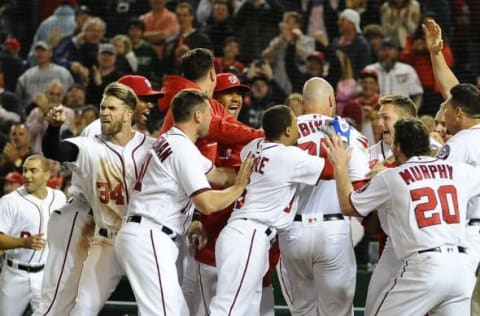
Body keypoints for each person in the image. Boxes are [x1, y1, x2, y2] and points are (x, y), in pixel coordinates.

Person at [114, 89, 252, 315]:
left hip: (148, 233)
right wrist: (238, 189)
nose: (212, 120)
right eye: (209, 114)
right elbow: (206, 203)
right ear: (198, 116)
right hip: (150, 235)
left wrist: (251, 171)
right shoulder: (181, 149)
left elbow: (218, 175)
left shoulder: (174, 141)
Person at [35, 75, 163, 316]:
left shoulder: (152, 145)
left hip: (140, 237)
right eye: (103, 107)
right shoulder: (95, 139)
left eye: (111, 108)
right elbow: (56, 149)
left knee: (161, 307)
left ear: (127, 113)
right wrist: (54, 128)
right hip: (96, 230)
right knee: (74, 305)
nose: (104, 112)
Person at [325, 117, 478, 315]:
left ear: (397, 148)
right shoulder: (460, 170)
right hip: (461, 269)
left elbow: (348, 205)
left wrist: (340, 165)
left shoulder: (392, 177)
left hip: (425, 266)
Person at [209, 104, 333, 315]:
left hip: (242, 233)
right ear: (286, 130)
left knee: (247, 309)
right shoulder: (288, 157)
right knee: (227, 309)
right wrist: (336, 139)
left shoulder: (253, 146)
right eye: (295, 124)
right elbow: (330, 170)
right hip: (249, 235)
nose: (298, 130)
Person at [276, 77, 369, 316]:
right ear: (331, 101)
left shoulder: (283, 131)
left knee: (303, 312)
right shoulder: (351, 134)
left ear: (303, 103)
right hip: (333, 231)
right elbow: (360, 187)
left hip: (291, 231)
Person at [422, 19, 480, 313]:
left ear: (459, 112)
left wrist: (428, 147)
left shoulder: (462, 143)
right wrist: (436, 54)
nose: (442, 112)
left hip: (471, 236)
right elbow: (455, 92)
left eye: (446, 107)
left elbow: (433, 180)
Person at [159, 48, 264, 162]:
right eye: (228, 93)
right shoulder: (190, 99)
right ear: (212, 75)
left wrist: (262, 134)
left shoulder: (196, 99)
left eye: (239, 94)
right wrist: (263, 135)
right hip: (176, 170)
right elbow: (219, 128)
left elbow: (231, 125)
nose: (235, 98)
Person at [0, 155, 66, 316]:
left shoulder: (59, 198)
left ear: (47, 175)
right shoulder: (10, 201)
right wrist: (23, 243)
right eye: (25, 170)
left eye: (33, 171)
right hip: (15, 275)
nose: (27, 175)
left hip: (44, 275)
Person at [364, 37, 424, 110]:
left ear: (397, 52)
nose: (387, 53)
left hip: (401, 113)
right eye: (383, 49)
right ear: (377, 52)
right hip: (376, 113)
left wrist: (412, 113)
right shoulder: (369, 70)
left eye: (390, 49)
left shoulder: (407, 70)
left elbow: (418, 95)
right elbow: (359, 92)